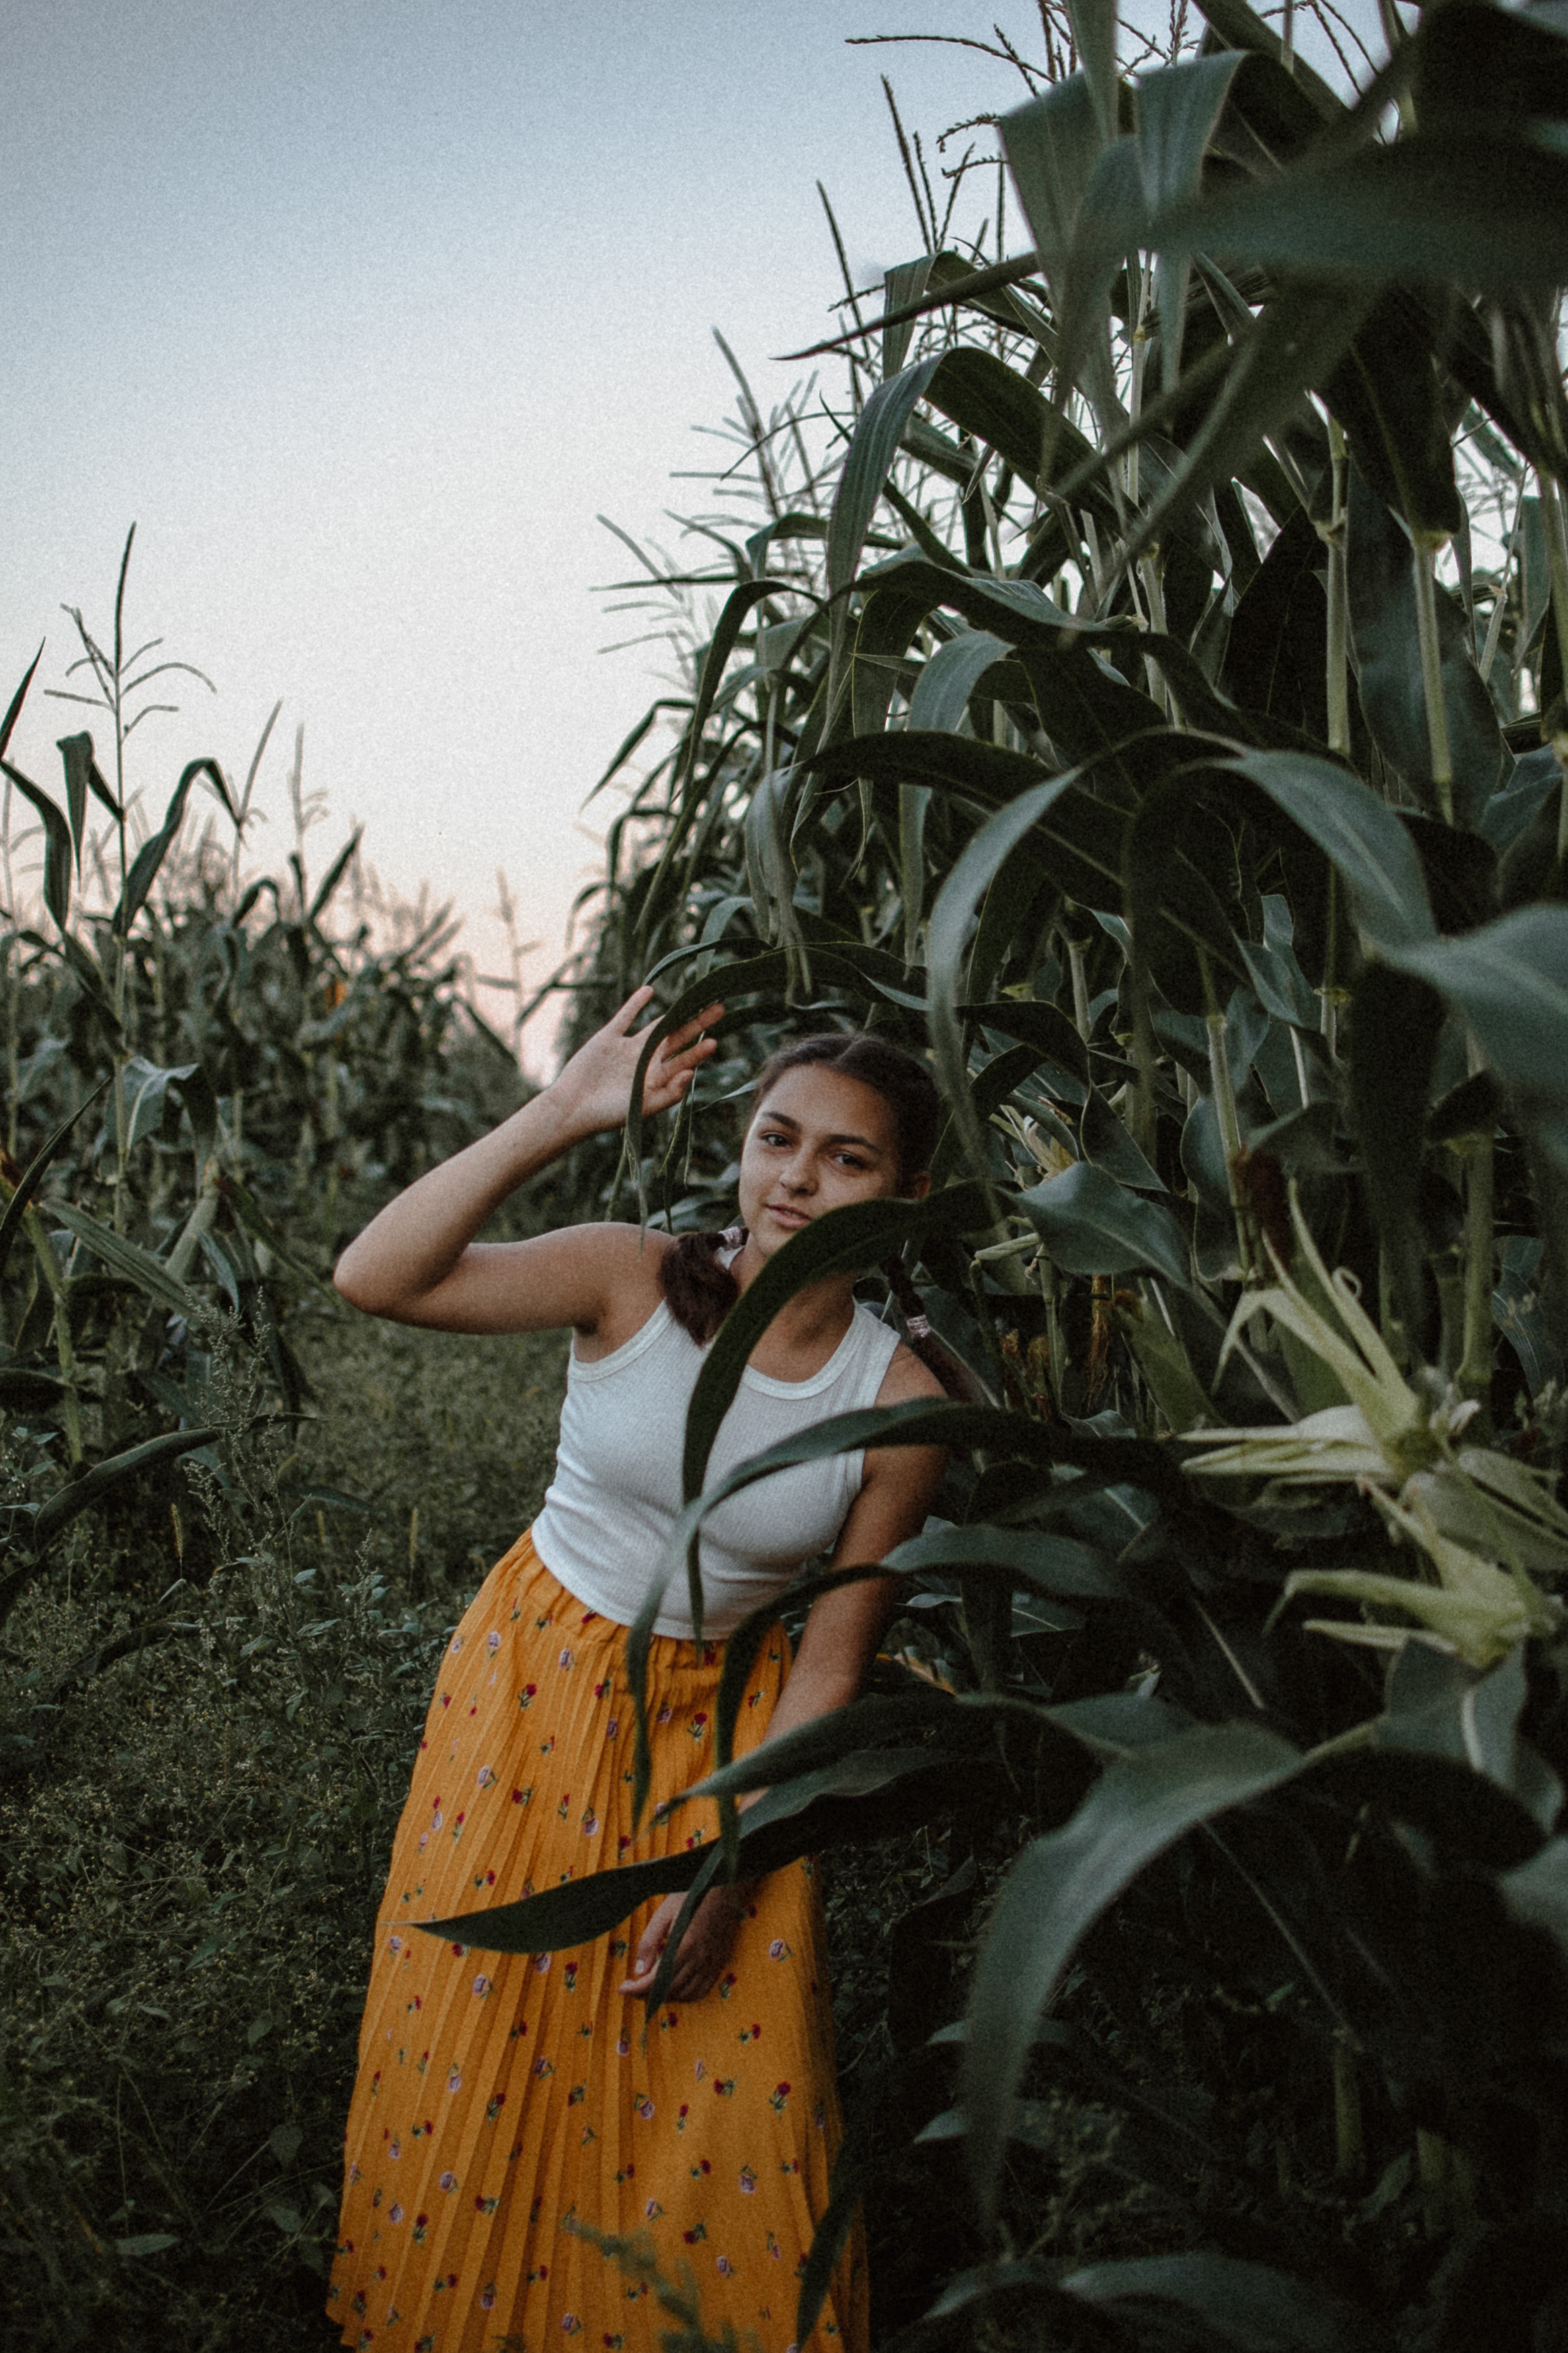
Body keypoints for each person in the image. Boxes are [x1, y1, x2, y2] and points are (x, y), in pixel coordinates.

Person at [326, 987, 949, 2353]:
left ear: (909, 1190)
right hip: (531, 1687)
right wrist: (560, 1113)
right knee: (486, 2051)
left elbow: (833, 1659)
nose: (798, 1178)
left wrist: (731, 1858)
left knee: (726, 2102)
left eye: (847, 1157)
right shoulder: (628, 1275)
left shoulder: (900, 1403)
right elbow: (377, 1277)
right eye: (777, 1138)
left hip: (730, 1735)